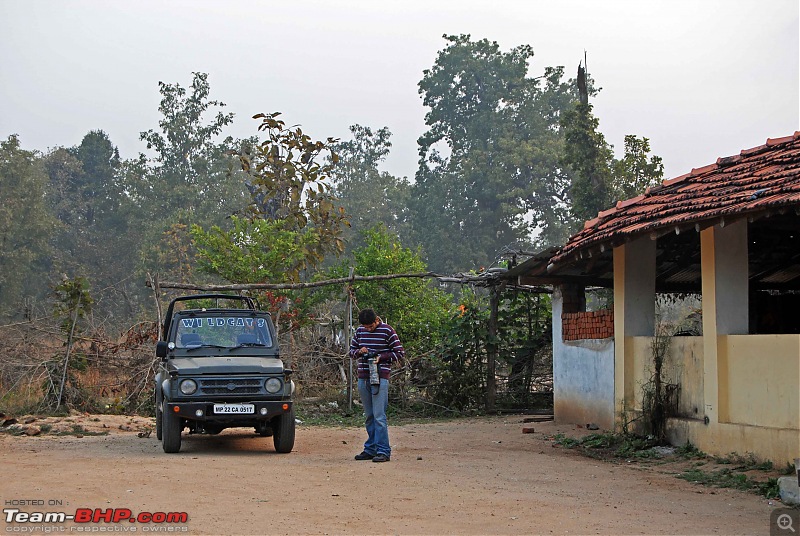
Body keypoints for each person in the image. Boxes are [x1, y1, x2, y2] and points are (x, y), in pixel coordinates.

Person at [349, 308, 404, 463]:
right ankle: (371, 448)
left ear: (376, 321)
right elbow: (351, 351)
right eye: (366, 327)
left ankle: (383, 450)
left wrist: (381, 357)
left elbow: (399, 352)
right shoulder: (360, 331)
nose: (368, 329)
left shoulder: (388, 331)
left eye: (370, 327)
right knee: (369, 416)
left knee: (379, 416)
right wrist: (360, 351)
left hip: (381, 377)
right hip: (364, 377)